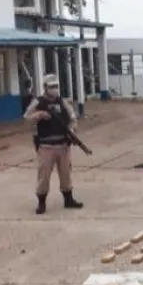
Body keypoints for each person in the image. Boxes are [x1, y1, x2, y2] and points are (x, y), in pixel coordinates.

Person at [23, 73, 84, 215]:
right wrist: (38, 115)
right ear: (45, 87)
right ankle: (41, 203)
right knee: (43, 175)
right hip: (46, 146)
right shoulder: (38, 102)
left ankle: (68, 199)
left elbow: (73, 117)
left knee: (66, 174)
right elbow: (26, 117)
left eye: (56, 86)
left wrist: (72, 128)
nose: (55, 89)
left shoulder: (62, 102)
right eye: (52, 87)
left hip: (63, 145)